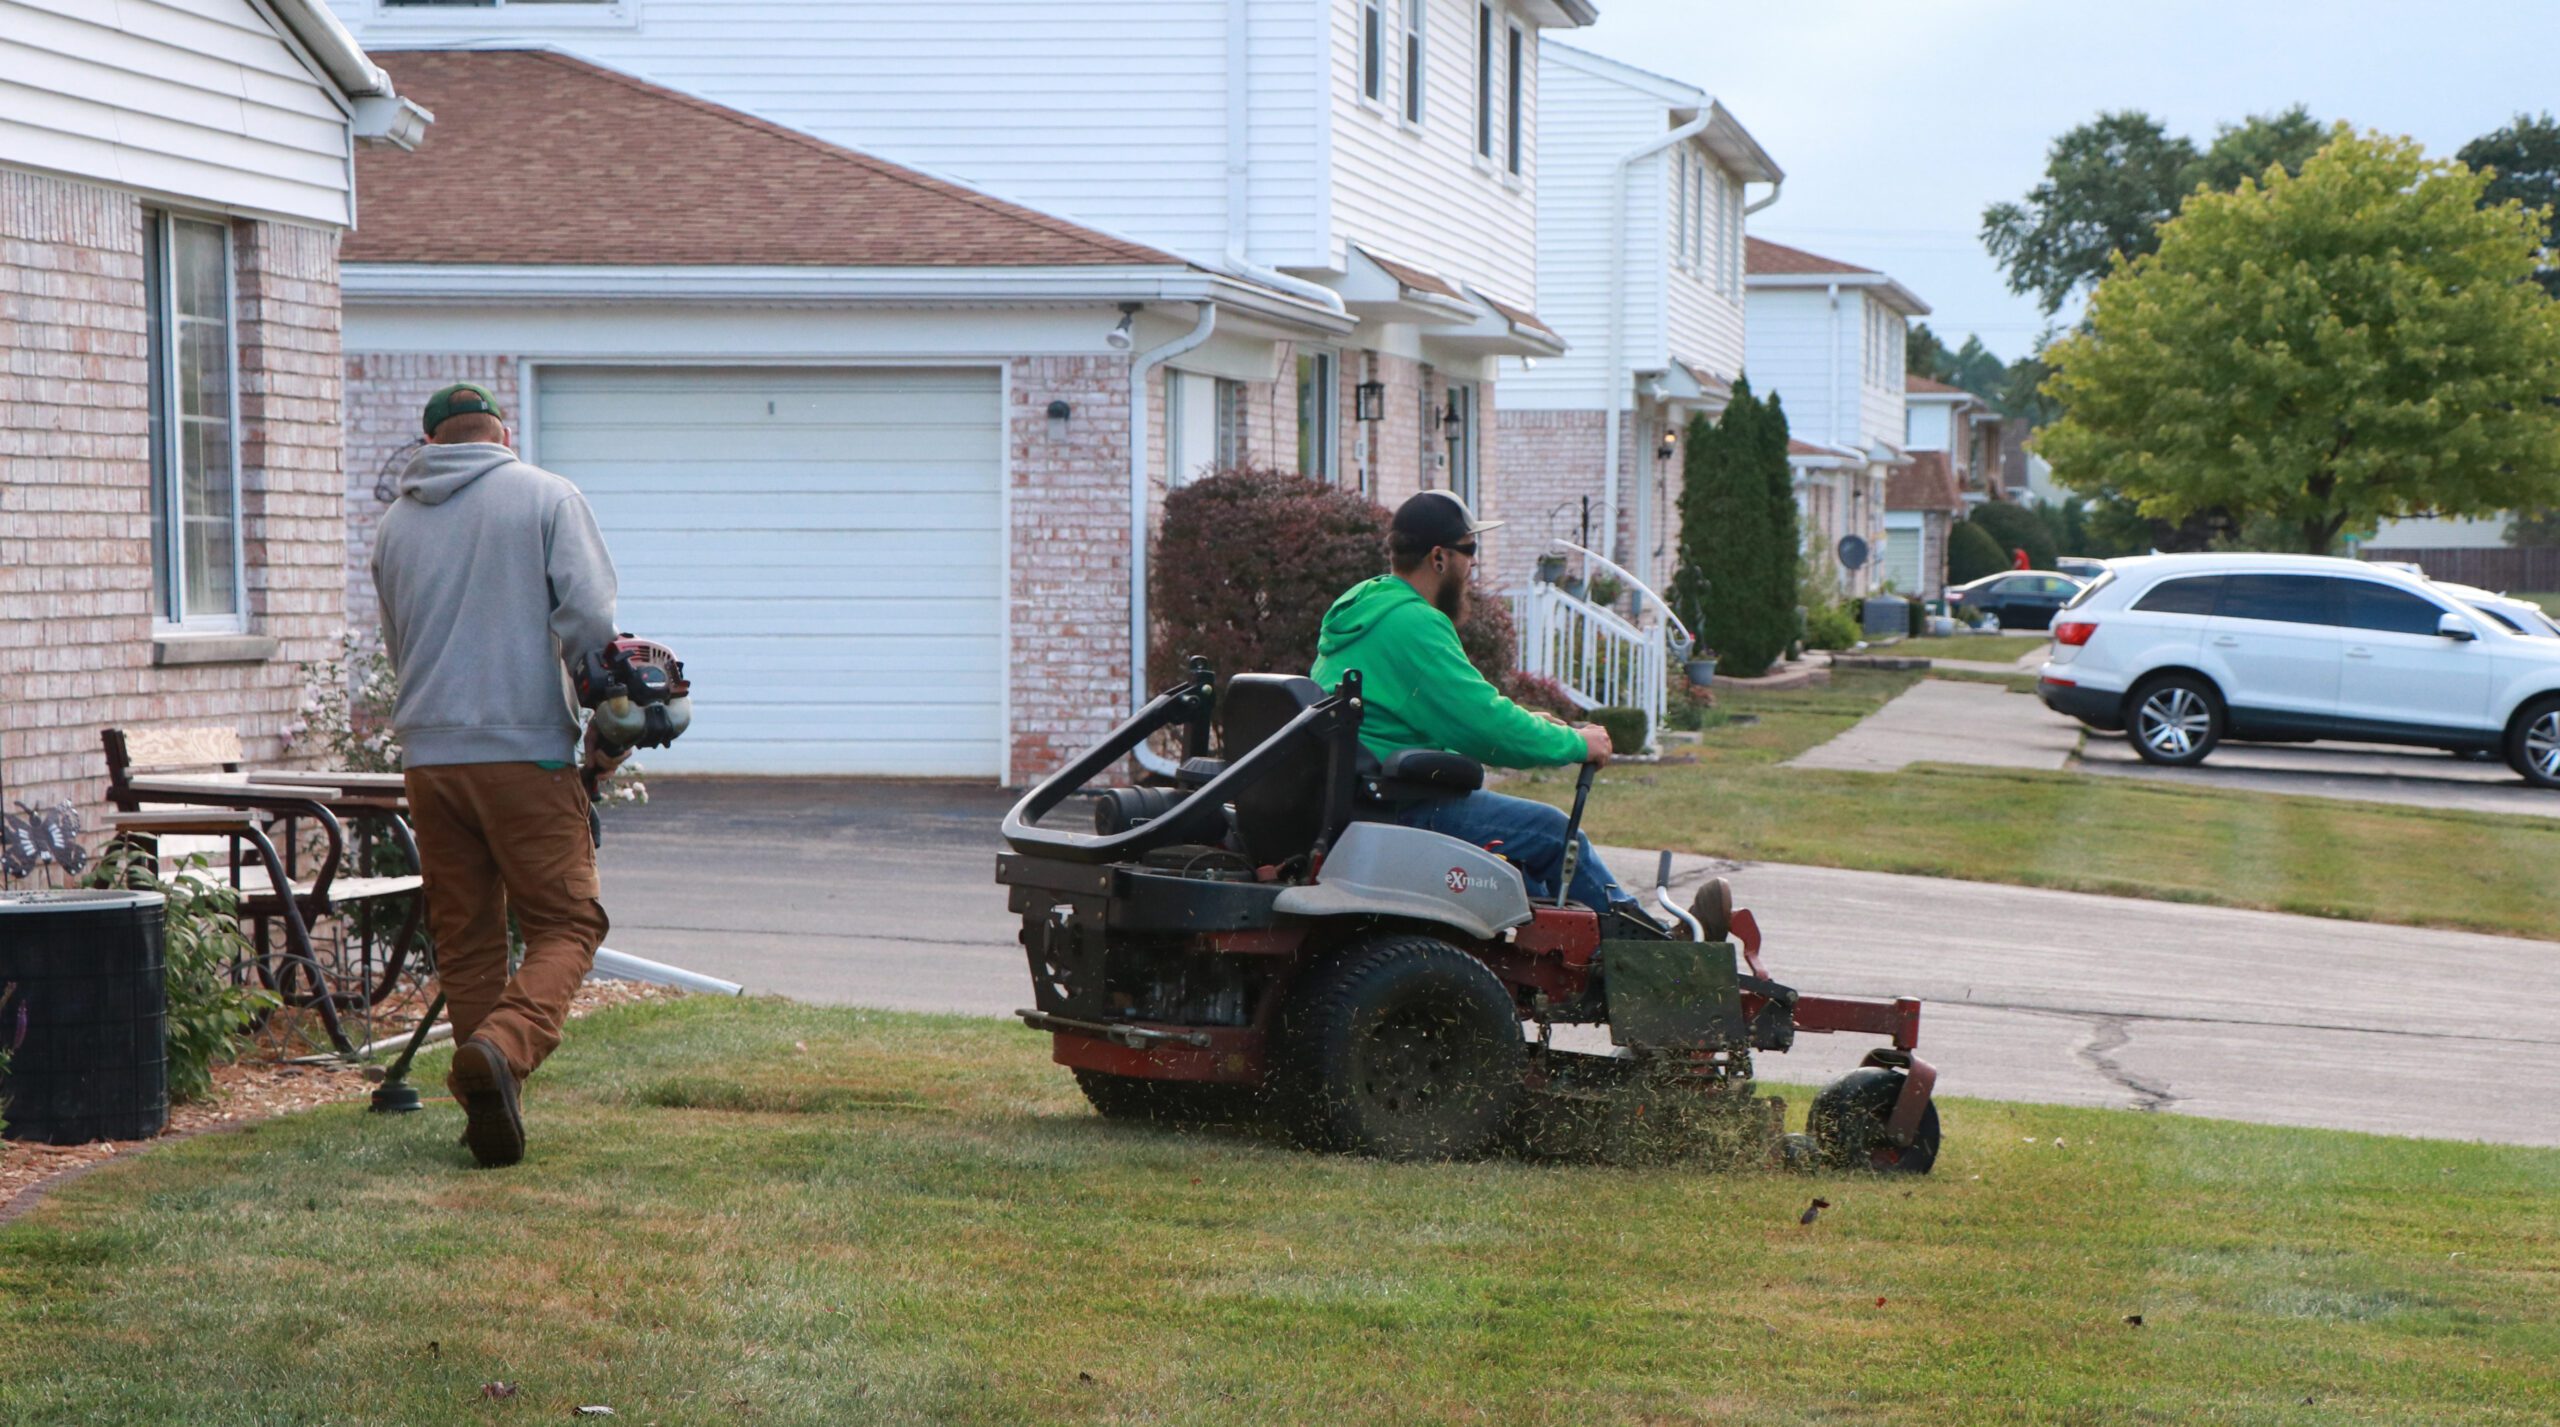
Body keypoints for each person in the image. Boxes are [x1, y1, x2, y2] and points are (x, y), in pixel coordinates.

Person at [371, 381, 622, 1168]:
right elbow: (590, 624)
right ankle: (503, 1051)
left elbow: (396, 640)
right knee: (567, 922)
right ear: (501, 433)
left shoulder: (394, 525)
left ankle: (488, 1104)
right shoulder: (548, 497)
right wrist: (606, 730)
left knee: (470, 936)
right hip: (525, 751)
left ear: (433, 443)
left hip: (430, 759)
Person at [1311, 490, 1647, 921]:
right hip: (1396, 808)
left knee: (1524, 876)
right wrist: (1578, 744)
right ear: (1439, 558)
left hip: (1361, 797)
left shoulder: (1365, 605)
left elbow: (1453, 713)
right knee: (1552, 833)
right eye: (1469, 551)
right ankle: (1647, 948)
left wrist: (1529, 721)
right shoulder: (1413, 623)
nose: (1474, 565)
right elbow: (1488, 728)